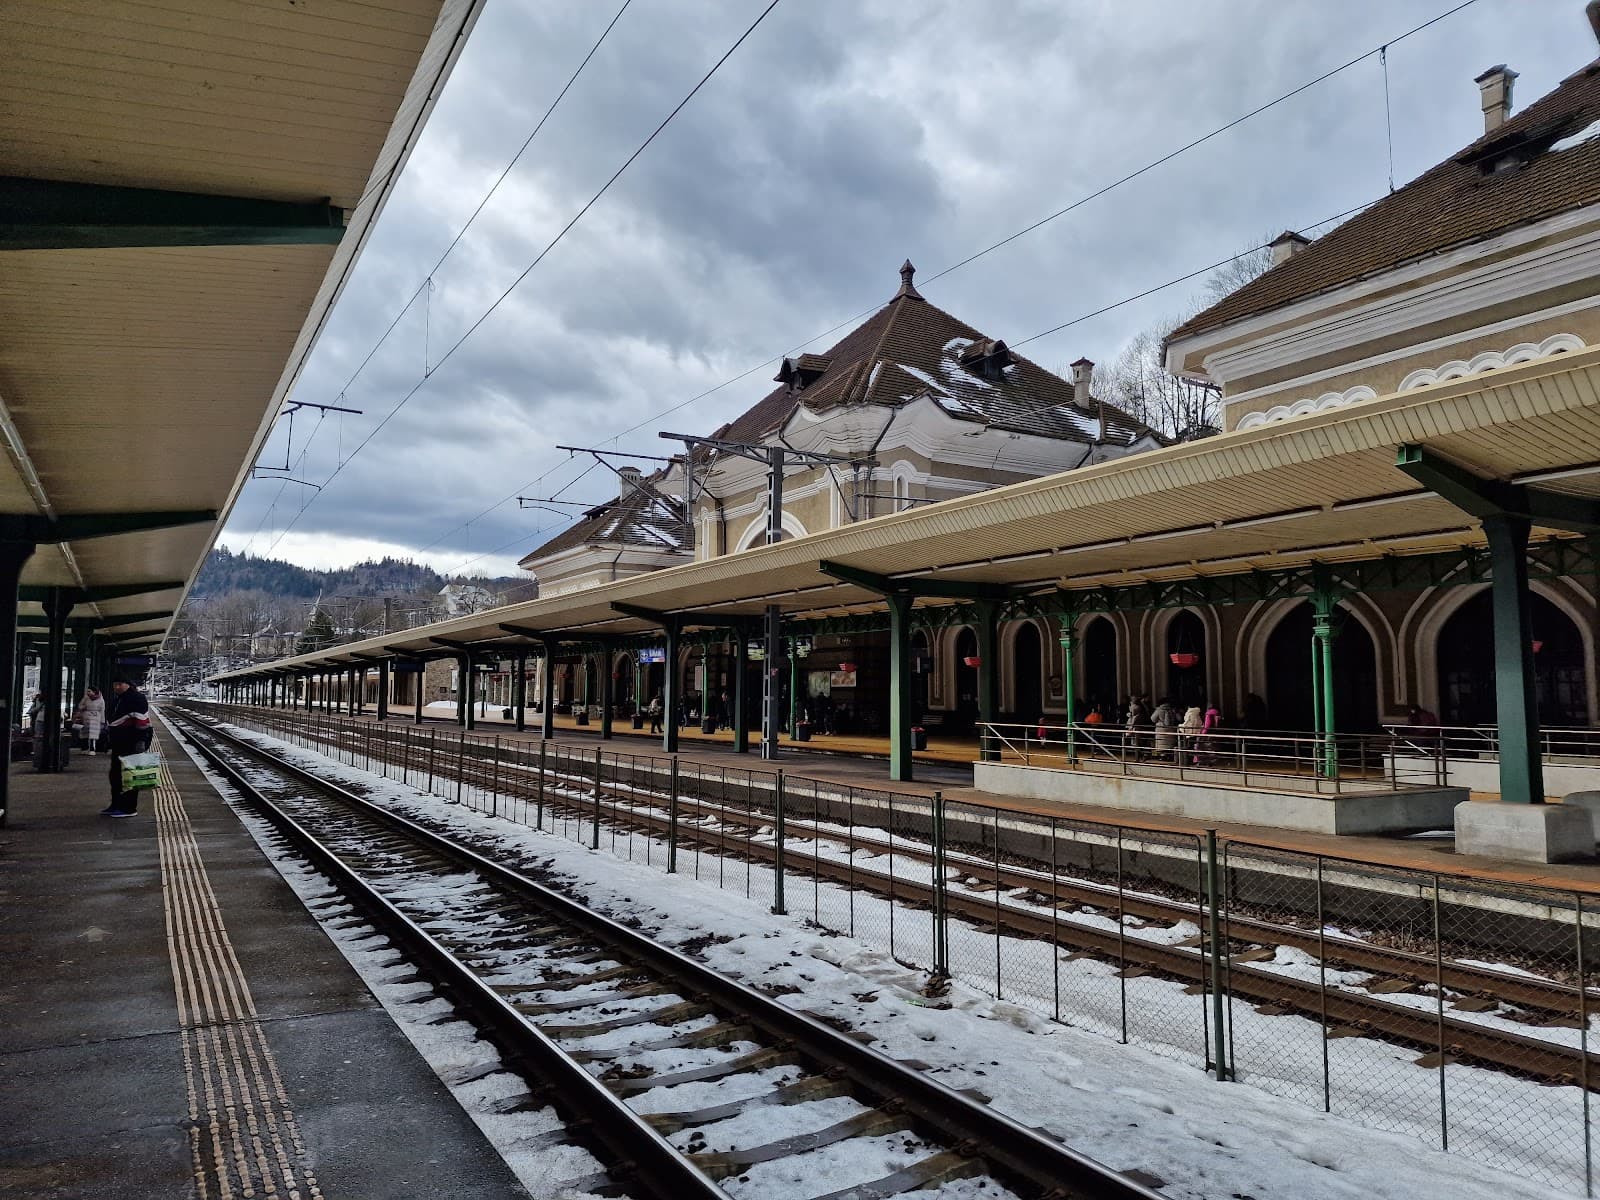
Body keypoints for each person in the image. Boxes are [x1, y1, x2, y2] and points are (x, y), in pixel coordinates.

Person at [103, 677, 152, 818]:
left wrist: (140, 742)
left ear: (128, 685)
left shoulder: (137, 698)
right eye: (115, 684)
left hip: (131, 742)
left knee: (130, 775)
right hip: (119, 742)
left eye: (120, 684)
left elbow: (142, 722)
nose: (117, 687)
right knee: (115, 775)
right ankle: (116, 804)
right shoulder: (118, 699)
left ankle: (129, 808)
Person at [77, 687, 105, 755]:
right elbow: (80, 705)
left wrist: (102, 720)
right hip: (86, 717)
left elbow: (102, 710)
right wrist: (84, 707)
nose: (88, 693)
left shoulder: (101, 699)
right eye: (87, 691)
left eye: (89, 691)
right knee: (84, 733)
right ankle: (84, 749)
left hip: (95, 717)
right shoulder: (86, 698)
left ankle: (92, 749)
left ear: (94, 692)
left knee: (93, 734)